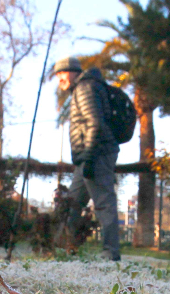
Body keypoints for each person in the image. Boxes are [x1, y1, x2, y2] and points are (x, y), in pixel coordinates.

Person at [52, 56, 121, 261]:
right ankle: (62, 247)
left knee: (103, 203)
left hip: (96, 154)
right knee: (72, 203)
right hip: (87, 156)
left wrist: (90, 157)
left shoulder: (85, 88)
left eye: (62, 73)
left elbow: (95, 123)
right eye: (57, 75)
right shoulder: (85, 88)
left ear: (73, 72)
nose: (60, 79)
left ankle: (110, 254)